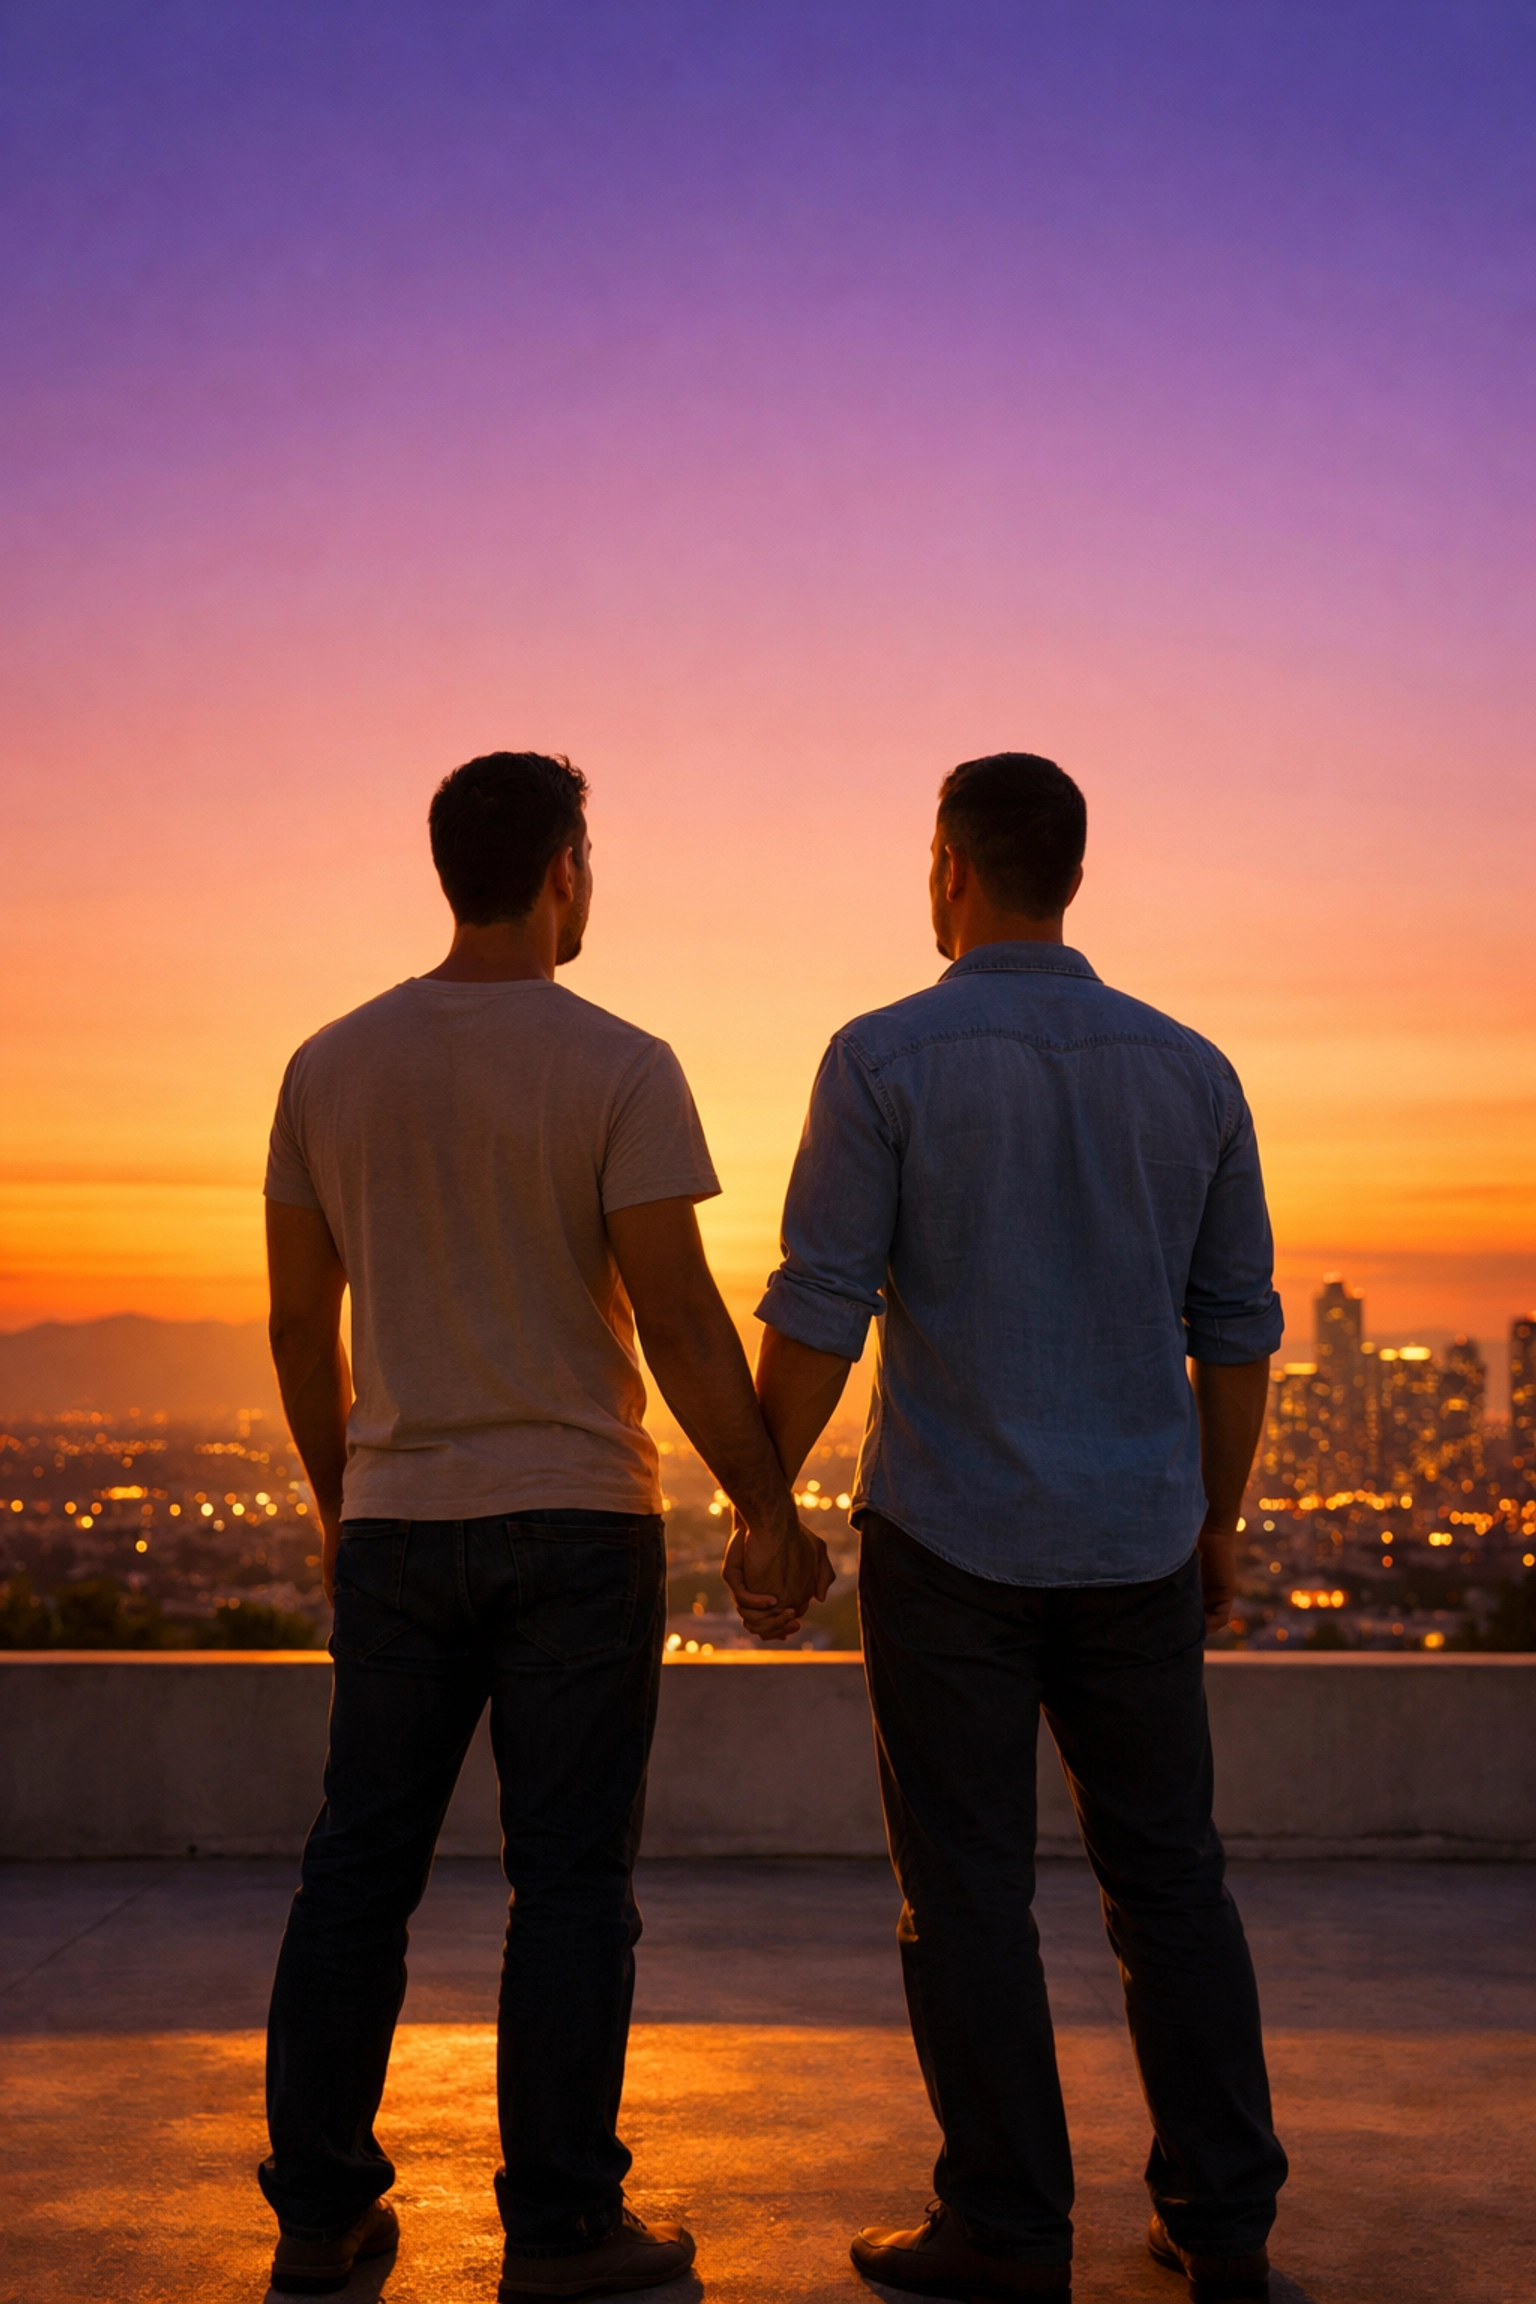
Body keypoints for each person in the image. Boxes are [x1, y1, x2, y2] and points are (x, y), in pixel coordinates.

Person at [259, 750, 829, 2300]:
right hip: (578, 1522)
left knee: (354, 1870)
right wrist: (768, 1509)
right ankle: (567, 2225)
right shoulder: (620, 1063)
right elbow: (680, 1317)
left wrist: (339, 1499)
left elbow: (301, 1331)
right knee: (570, 1882)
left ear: (451, 869)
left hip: (399, 1517)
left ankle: (319, 2215)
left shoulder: (329, 1066)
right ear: (567, 867)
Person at [744, 754, 1287, 2304]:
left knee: (970, 1892)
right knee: (1172, 1880)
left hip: (952, 1546)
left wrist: (768, 1509)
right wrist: (1218, 1522)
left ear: (947, 869)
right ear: (1075, 874)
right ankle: (1226, 2222)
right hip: (1136, 1541)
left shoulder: (882, 1059)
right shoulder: (1193, 1071)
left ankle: (1006, 2225)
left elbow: (821, 1309)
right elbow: (1235, 1335)